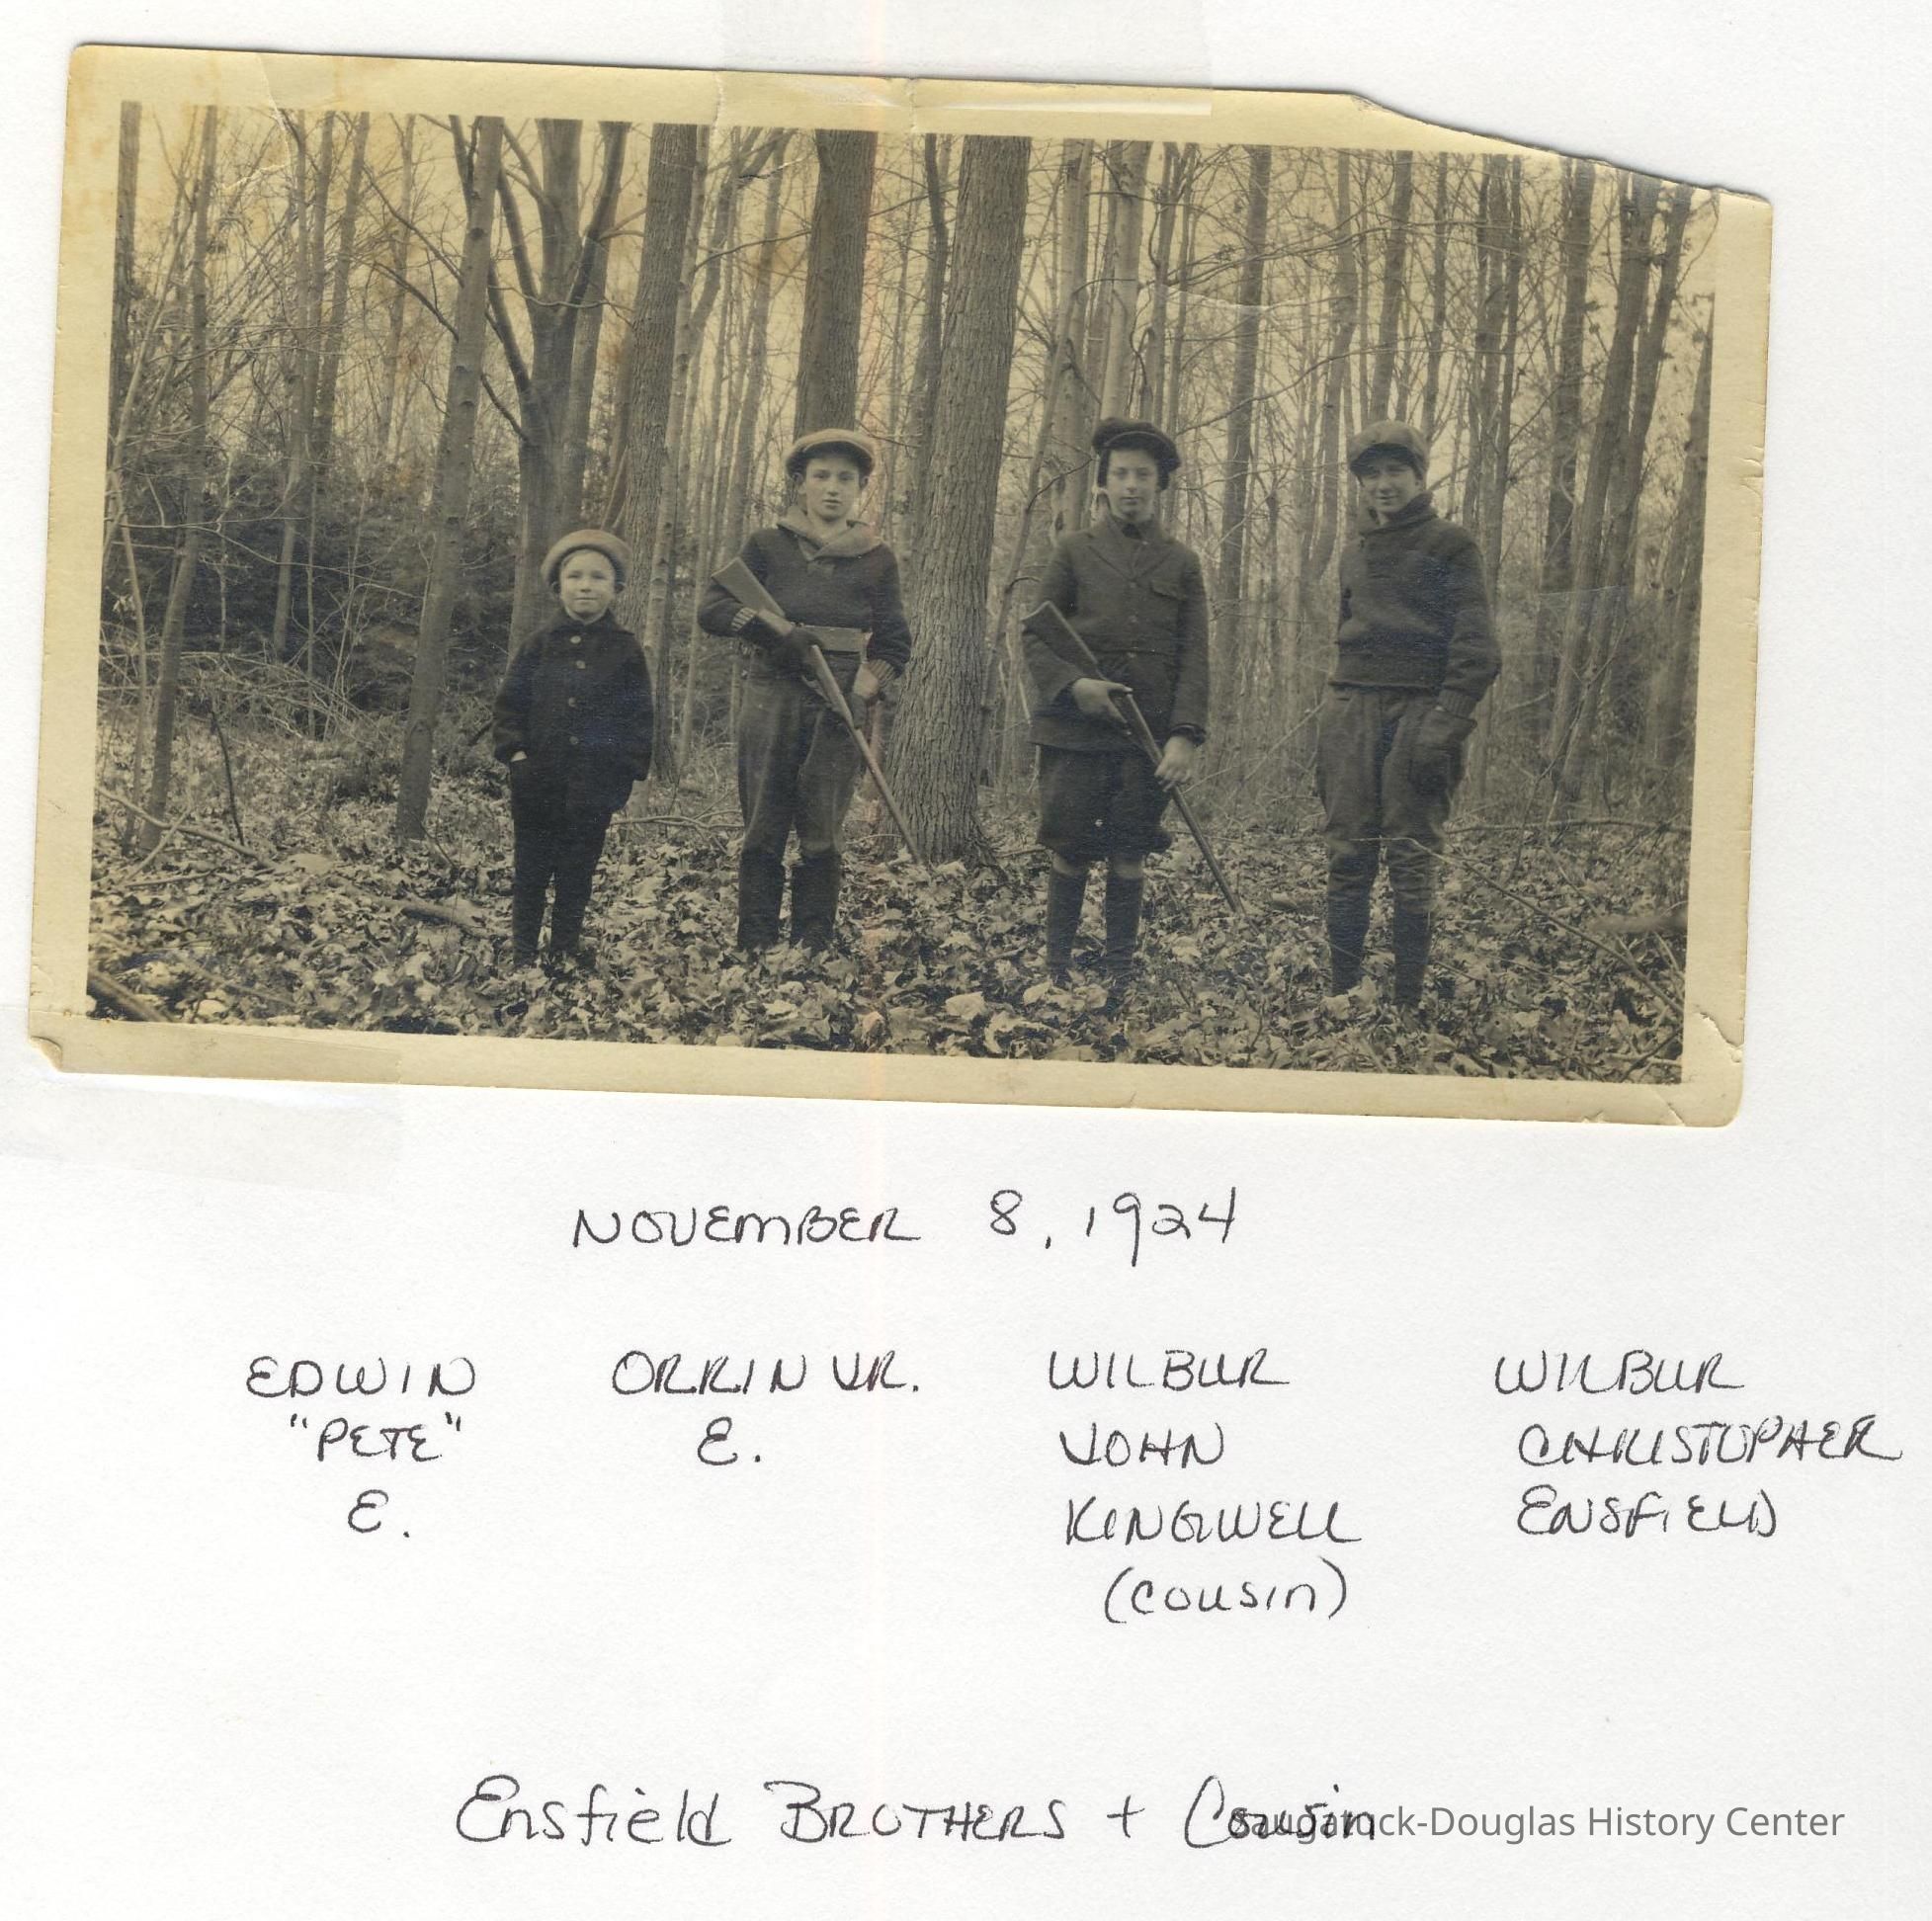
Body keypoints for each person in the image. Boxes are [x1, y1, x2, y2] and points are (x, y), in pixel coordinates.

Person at [697, 428, 912, 952]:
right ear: (801, 483)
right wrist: (771, 631)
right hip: (772, 690)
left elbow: (894, 643)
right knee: (763, 821)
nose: (832, 488)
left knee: (824, 827)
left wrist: (862, 689)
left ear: (861, 487)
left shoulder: (877, 557)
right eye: (821, 476)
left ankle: (814, 944)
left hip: (839, 699)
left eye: (845, 478)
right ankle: (755, 942)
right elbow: (713, 607)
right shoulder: (766, 544)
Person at [1021, 417, 1209, 995]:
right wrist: (1075, 686)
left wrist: (1184, 735)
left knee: (1130, 852)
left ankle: (1120, 972)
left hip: (1144, 737)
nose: (1131, 485)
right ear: (1103, 483)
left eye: (1143, 475)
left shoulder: (1181, 562)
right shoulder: (1073, 552)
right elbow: (1035, 635)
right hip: (1074, 733)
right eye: (1121, 474)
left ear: (1160, 484)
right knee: (1070, 850)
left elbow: (1195, 656)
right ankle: (1057, 969)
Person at [1317, 421, 1499, 1008]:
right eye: (1370, 474)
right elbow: (1346, 640)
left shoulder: (1452, 546)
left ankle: (1407, 1004)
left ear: (1419, 476)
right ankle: (1343, 994)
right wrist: (1337, 720)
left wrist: (1442, 727)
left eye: (1395, 471)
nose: (1383, 484)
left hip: (1420, 713)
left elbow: (1477, 650)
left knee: (1412, 858)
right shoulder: (1354, 553)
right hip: (1352, 712)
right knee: (1348, 854)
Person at [491, 530, 653, 972]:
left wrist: (624, 774)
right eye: (575, 576)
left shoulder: (626, 650)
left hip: (593, 788)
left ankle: (564, 949)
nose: (585, 586)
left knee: (577, 870)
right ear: (558, 586)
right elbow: (509, 707)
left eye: (598, 578)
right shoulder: (538, 644)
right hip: (537, 783)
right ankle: (523, 953)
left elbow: (639, 717)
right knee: (531, 869)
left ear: (616, 589)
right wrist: (517, 758)